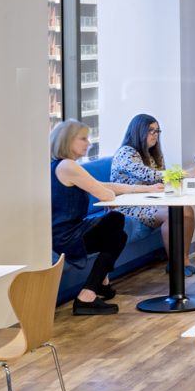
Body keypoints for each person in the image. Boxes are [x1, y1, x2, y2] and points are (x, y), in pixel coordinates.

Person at [49, 120, 157, 315]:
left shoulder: (65, 165)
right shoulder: (67, 166)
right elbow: (105, 194)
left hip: (70, 230)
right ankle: (92, 291)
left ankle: (94, 288)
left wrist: (146, 188)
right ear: (67, 141)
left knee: (117, 229)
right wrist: (108, 193)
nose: (88, 143)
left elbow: (104, 185)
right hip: (64, 236)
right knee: (115, 222)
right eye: (82, 138)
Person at [109, 113, 191, 267]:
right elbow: (149, 175)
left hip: (149, 202)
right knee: (171, 214)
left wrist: (176, 180)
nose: (155, 135)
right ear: (138, 131)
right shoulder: (126, 153)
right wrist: (184, 173)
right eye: (151, 131)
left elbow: (162, 178)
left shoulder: (153, 154)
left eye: (157, 131)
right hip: (129, 206)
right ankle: (175, 265)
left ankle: (184, 260)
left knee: (187, 211)